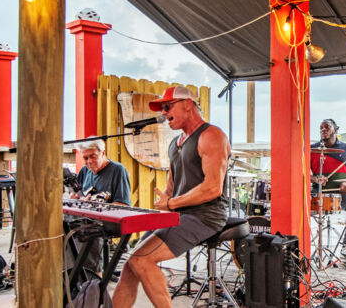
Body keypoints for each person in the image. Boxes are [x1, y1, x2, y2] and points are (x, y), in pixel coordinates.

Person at [112, 86, 231, 308]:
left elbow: (212, 188)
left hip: (206, 216)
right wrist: (164, 203)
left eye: (168, 107)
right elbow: (171, 186)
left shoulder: (212, 135)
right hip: (180, 214)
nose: (164, 113)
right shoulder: (174, 144)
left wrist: (172, 203)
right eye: (163, 109)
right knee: (131, 263)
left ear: (188, 104)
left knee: (142, 259)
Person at [66, 138, 132, 275]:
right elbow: (79, 195)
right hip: (87, 216)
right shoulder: (85, 170)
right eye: (85, 158)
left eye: (93, 157)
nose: (89, 162)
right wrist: (77, 198)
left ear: (103, 153)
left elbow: (123, 204)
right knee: (63, 226)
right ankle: (70, 273)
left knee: (86, 231)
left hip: (109, 221)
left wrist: (94, 206)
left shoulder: (117, 170)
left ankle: (92, 275)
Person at [311, 119, 346, 248]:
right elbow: (303, 174)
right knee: (301, 204)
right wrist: (314, 179)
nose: (323, 129)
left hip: (342, 190)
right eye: (321, 127)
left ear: (335, 129)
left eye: (327, 127)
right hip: (318, 190)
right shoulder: (312, 149)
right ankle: (303, 244)